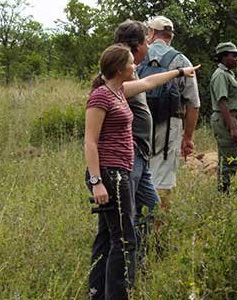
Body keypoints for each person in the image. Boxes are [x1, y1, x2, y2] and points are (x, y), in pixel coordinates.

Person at [85, 43, 199, 299]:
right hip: (110, 175)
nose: (135, 66)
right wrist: (96, 182)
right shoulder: (101, 97)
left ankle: (97, 293)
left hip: (120, 172)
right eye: (130, 62)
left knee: (109, 236)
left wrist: (181, 72)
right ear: (118, 68)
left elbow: (149, 83)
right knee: (124, 240)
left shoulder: (120, 91)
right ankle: (117, 294)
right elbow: (90, 141)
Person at [113, 20, 159, 262]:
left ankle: (139, 259)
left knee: (151, 205)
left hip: (141, 152)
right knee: (126, 215)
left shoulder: (131, 69)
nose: (149, 48)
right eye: (146, 42)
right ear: (136, 45)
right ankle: (126, 268)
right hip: (129, 154)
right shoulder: (117, 75)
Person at [145, 16, 201, 208]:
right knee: (164, 176)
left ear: (151, 33)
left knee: (138, 171)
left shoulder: (137, 55)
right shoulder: (181, 60)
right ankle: (159, 226)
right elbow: (193, 103)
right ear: (171, 36)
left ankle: (136, 224)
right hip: (170, 124)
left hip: (138, 122)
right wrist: (188, 137)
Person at [209, 42, 237, 193]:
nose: (236, 59)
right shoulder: (220, 76)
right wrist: (232, 127)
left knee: (229, 157)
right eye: (234, 56)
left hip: (229, 119)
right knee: (229, 159)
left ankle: (225, 191)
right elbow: (222, 102)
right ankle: (224, 193)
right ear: (224, 57)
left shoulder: (228, 74)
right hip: (225, 120)